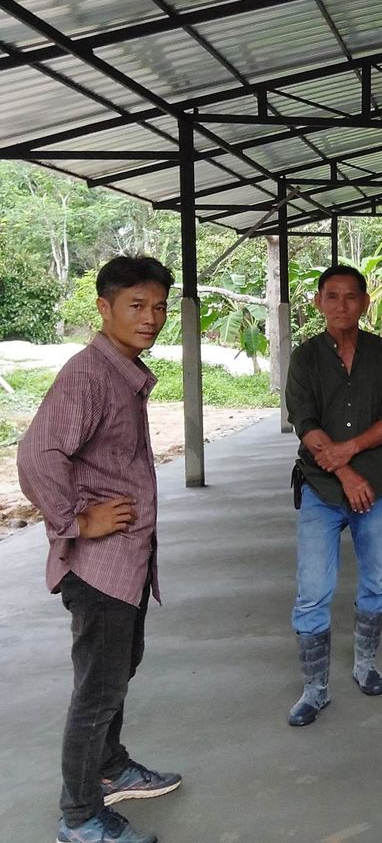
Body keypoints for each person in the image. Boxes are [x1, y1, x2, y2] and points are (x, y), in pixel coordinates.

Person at [18, 256, 183, 843]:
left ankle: (111, 767)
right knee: (98, 690)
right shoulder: (89, 374)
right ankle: (81, 816)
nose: (151, 318)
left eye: (159, 306)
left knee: (118, 670)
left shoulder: (122, 372)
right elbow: (37, 455)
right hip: (101, 567)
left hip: (127, 561)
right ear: (104, 307)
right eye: (136, 305)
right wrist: (76, 521)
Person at [284, 264, 382, 727]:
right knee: (313, 592)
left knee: (375, 583)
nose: (341, 305)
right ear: (319, 302)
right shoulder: (305, 358)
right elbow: (305, 423)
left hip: (376, 486)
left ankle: (365, 666)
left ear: (365, 302)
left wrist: (351, 452)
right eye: (332, 296)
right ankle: (314, 691)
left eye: (351, 296)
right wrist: (345, 474)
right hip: (321, 489)